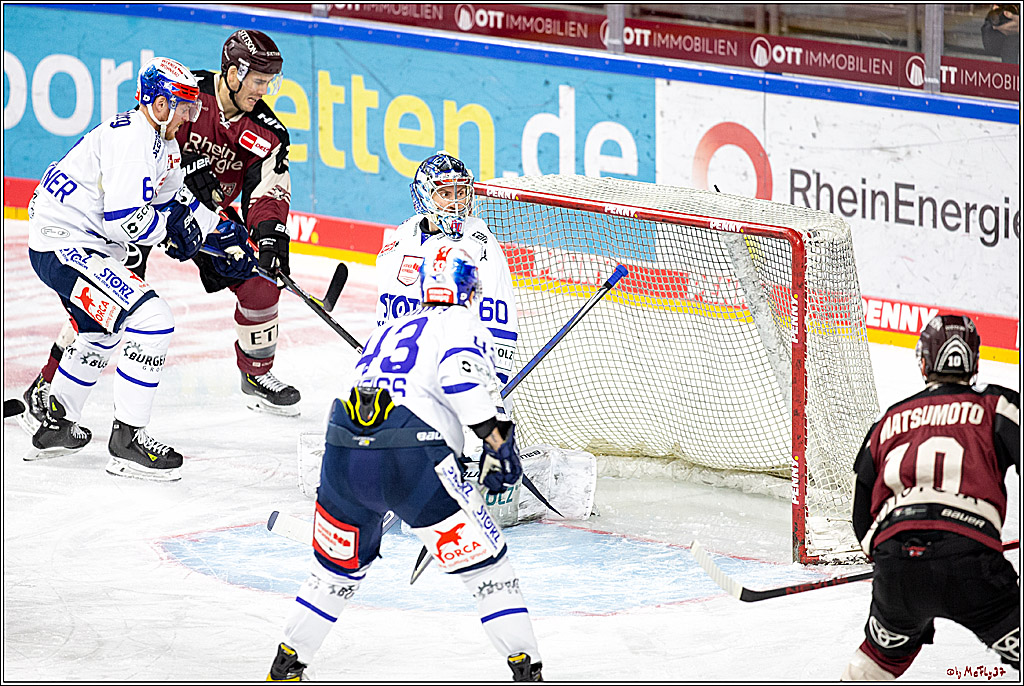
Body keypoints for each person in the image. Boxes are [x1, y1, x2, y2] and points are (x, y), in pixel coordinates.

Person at [267, 249, 543, 682]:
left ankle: (286, 666)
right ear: (470, 286)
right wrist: (497, 440)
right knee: (490, 570)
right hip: (412, 458)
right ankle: (527, 670)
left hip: (342, 456)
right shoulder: (460, 321)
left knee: (333, 575)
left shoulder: (389, 329)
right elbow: (461, 380)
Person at [16, 29, 300, 426]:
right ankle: (48, 386)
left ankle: (256, 373)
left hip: (201, 212)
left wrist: (269, 237)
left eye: (269, 81)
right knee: (110, 301)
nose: (264, 89)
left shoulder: (268, 131)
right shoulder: (184, 93)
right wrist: (174, 214)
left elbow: (267, 192)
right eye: (258, 80)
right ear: (233, 74)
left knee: (258, 277)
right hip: (140, 208)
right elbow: (137, 155)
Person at [24, 57, 255, 481]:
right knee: (152, 319)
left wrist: (222, 232)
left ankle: (57, 421)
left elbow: (174, 201)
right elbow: (127, 221)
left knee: (101, 330)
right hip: (65, 244)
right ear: (160, 104)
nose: (190, 115)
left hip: (77, 243)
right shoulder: (133, 141)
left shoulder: (161, 141)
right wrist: (177, 235)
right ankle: (127, 440)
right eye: (184, 106)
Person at [840, 314, 1019, 680]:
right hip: (971, 563)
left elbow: (861, 516)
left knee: (873, 664)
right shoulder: (997, 405)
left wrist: (897, 563)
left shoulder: (888, 421)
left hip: (898, 567)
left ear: (923, 362)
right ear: (974, 361)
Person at [376, 152, 519, 387]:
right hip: (404, 375)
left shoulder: (478, 241)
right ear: (424, 195)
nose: (456, 202)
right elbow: (387, 308)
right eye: (445, 193)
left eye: (461, 192)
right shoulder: (402, 235)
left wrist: (489, 384)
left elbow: (498, 316)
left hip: (454, 379)